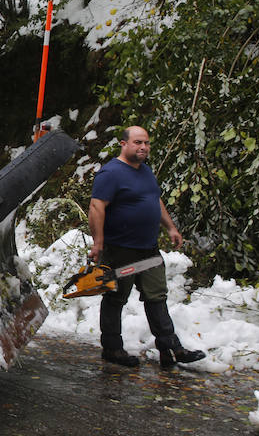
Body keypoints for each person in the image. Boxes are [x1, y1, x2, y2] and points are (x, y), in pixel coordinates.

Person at [88, 125, 206, 368]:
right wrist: (98, 243)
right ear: (124, 144)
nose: (143, 147)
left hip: (148, 250)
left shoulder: (146, 171)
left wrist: (170, 227)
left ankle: (170, 348)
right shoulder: (110, 173)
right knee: (115, 298)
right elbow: (96, 207)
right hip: (120, 249)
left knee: (156, 296)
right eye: (137, 142)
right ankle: (112, 348)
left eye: (146, 143)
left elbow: (154, 199)